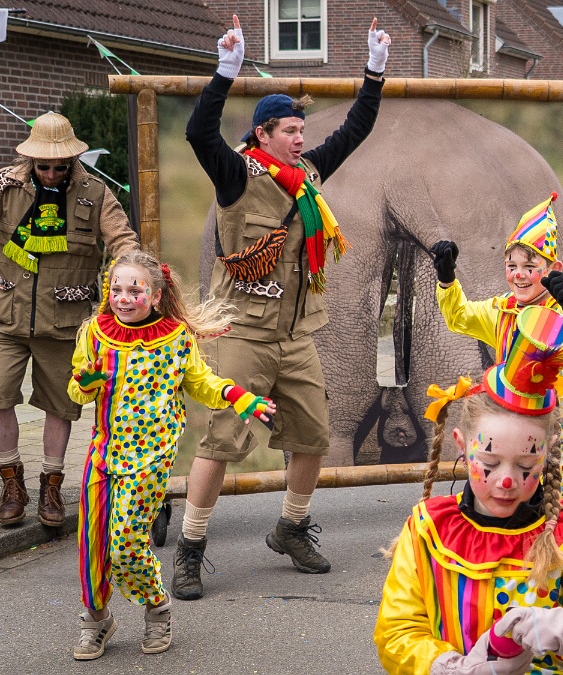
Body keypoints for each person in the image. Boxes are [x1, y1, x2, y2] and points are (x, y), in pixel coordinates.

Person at [172, 14, 388, 600]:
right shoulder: (236, 176)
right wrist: (225, 71)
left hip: (295, 336)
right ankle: (191, 547)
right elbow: (198, 133)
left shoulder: (307, 176)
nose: (299, 138)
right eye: (289, 130)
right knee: (222, 440)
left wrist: (374, 70)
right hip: (242, 333)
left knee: (314, 436)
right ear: (263, 135)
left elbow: (356, 129)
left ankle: (290, 528)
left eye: (301, 130)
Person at [374, 305, 563, 674]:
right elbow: (396, 632)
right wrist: (449, 668)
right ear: (461, 446)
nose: (506, 482)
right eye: (489, 464)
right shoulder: (428, 530)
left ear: (549, 452)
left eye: (525, 467)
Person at [68, 253, 274, 660]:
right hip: (103, 453)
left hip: (151, 456)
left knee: (126, 543)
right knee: (92, 542)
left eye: (134, 290)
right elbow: (77, 391)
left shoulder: (176, 337)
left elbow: (201, 382)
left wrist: (237, 396)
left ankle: (157, 607)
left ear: (156, 295)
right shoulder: (95, 332)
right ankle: (96, 619)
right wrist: (86, 381)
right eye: (116, 290)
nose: (123, 298)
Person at [0, 112, 139, 528]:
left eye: (60, 166)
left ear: (72, 160)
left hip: (64, 322)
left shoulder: (95, 192)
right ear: (31, 159)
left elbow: (122, 239)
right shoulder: (4, 184)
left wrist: (135, 273)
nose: (52, 173)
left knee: (61, 405)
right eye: (44, 166)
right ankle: (11, 482)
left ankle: (51, 485)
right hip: (6, 316)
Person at [430, 192, 563, 499]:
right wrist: (447, 280)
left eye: (530, 265)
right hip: (507, 430)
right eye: (512, 265)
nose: (519, 274)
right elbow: (459, 317)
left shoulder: (562, 312)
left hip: (552, 431)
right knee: (506, 500)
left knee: (550, 506)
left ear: (552, 268)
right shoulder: (501, 310)